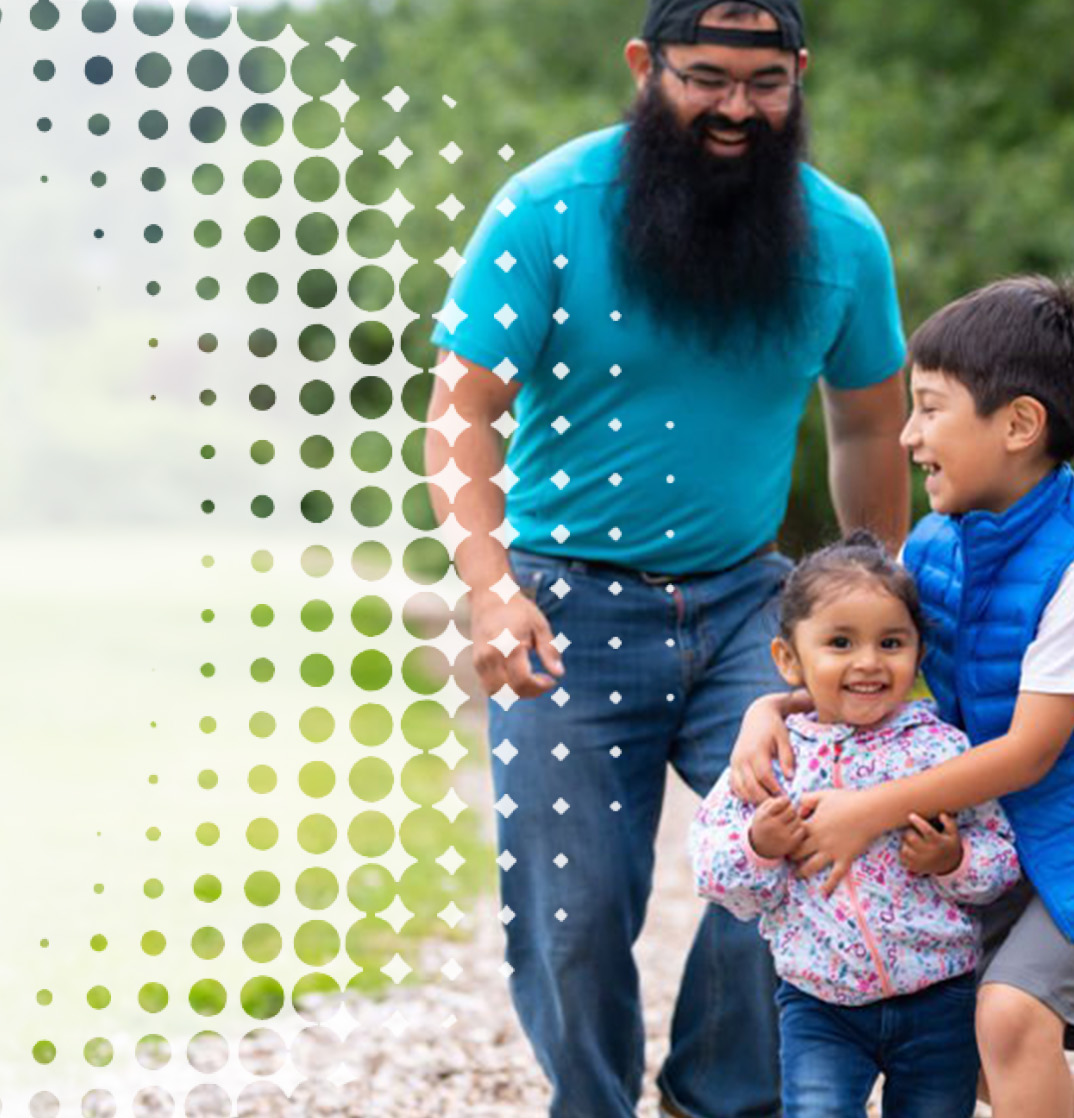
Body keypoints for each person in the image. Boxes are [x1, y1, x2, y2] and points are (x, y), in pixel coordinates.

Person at [420, 0, 913, 1111]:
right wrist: (489, 589)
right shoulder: (547, 208)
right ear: (645, 68)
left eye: (765, 81)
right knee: (574, 906)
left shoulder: (843, 239)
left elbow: (870, 428)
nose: (737, 108)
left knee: (799, 840)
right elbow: (459, 414)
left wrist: (873, 598)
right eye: (705, 77)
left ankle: (717, 1095)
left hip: (753, 604)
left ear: (799, 74)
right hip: (560, 603)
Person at [728, 276, 1074, 1118]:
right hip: (1019, 825)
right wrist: (766, 712)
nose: (907, 435)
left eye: (929, 409)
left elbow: (1031, 749)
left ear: (1019, 424)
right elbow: (867, 674)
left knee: (1007, 1016)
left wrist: (868, 810)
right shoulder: (936, 544)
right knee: (964, 1034)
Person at [691, 536, 1021, 1118]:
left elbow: (1000, 861)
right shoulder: (772, 757)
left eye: (891, 642)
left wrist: (952, 861)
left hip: (938, 994)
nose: (868, 661)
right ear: (789, 660)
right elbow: (716, 876)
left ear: (919, 655)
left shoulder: (941, 752)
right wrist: (759, 846)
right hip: (819, 1005)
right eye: (840, 643)